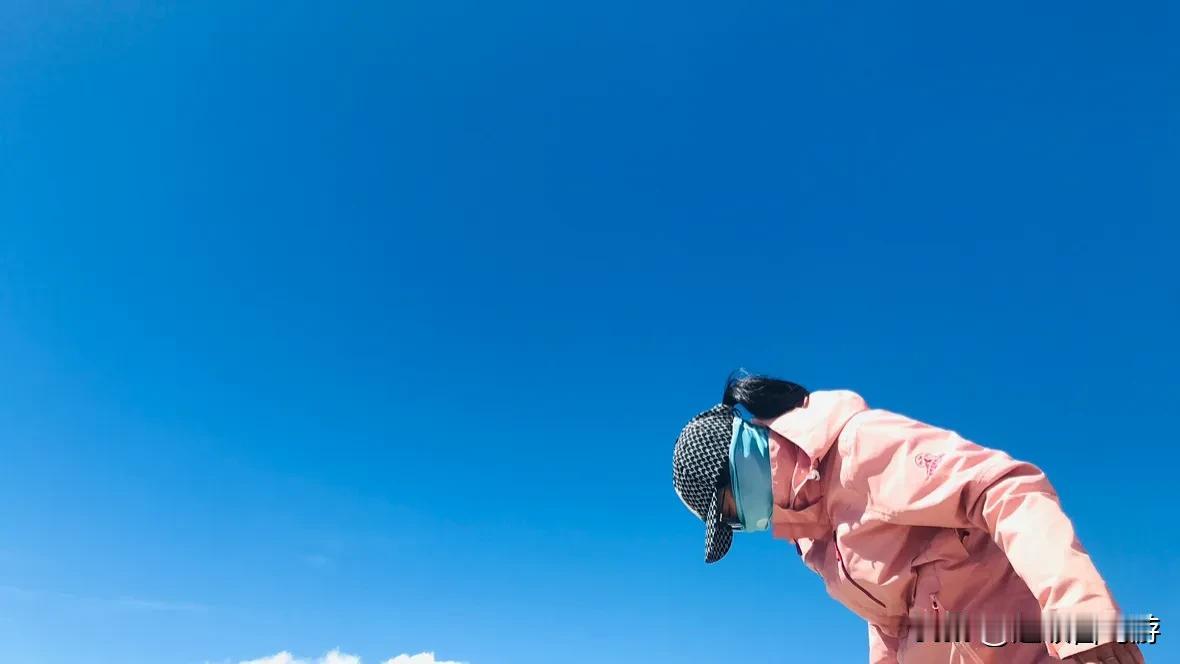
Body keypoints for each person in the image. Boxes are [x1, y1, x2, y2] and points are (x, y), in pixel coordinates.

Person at [672, 372, 1145, 664]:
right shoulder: (814, 543)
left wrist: (1083, 617)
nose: (743, 525)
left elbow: (1004, 489)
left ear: (742, 462)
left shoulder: (859, 449)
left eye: (729, 512)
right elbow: (890, 627)